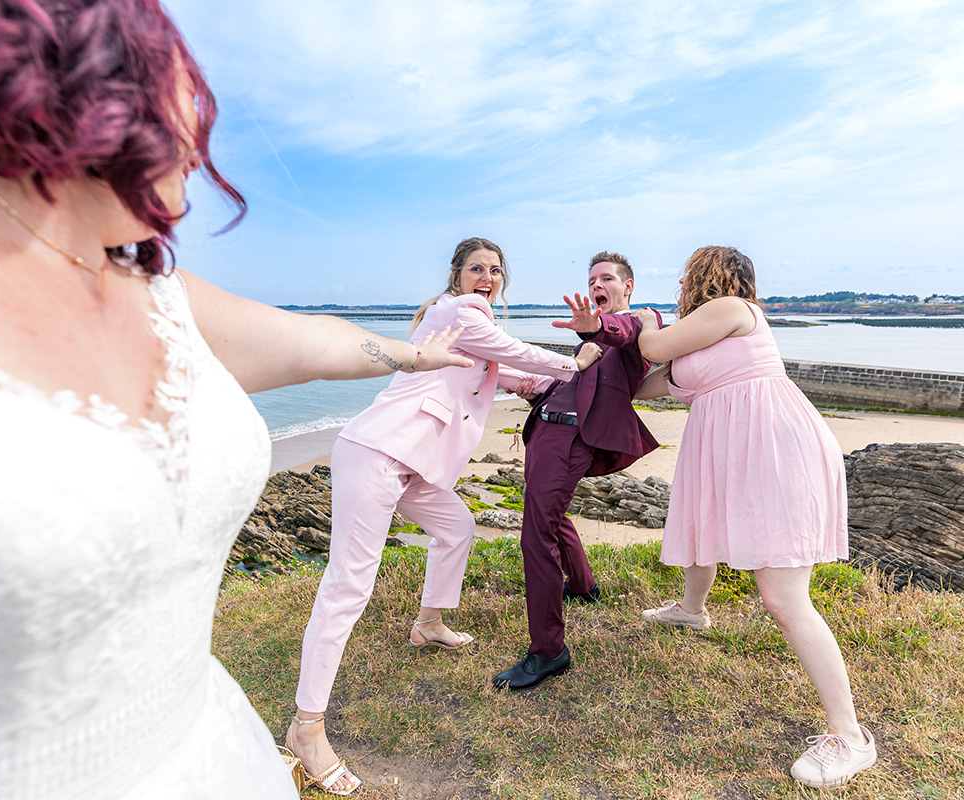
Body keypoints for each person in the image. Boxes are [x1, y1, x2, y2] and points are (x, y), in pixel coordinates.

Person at [0, 2, 474, 798]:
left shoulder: (144, 287)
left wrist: (420, 355)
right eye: (194, 97)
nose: (204, 149)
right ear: (111, 65)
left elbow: (317, 340)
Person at [286, 237, 602, 794]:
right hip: (379, 453)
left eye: (496, 270)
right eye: (477, 268)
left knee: (456, 527)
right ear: (457, 276)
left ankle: (428, 623)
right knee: (347, 589)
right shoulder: (461, 311)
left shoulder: (463, 332)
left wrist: (574, 379)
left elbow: (506, 374)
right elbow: (515, 352)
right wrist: (573, 359)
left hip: (413, 465)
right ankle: (306, 729)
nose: (488, 277)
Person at [633, 246, 875, 788]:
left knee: (784, 599)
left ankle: (852, 736)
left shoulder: (733, 310)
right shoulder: (704, 349)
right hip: (734, 452)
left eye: (688, 275)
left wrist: (641, 320)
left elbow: (650, 345)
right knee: (703, 530)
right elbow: (646, 384)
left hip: (772, 450)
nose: (683, 283)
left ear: (707, 277)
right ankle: (691, 610)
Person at [492, 252, 660, 691]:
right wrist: (538, 391)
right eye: (592, 279)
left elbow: (622, 333)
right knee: (549, 514)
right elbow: (579, 385)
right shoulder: (589, 334)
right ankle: (582, 584)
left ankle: (548, 651)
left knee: (536, 531)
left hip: (571, 441)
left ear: (628, 286)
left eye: (606, 278)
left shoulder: (640, 321)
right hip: (545, 428)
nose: (597, 285)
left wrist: (596, 328)